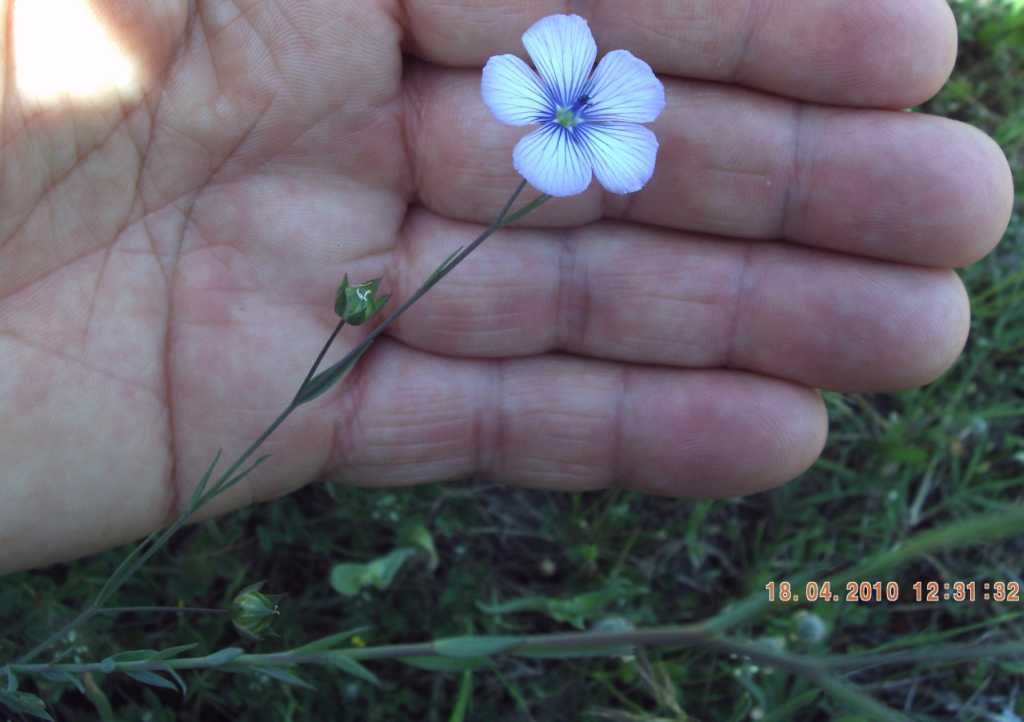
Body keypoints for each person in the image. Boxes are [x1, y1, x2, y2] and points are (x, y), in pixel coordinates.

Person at [0, 0, 1013, 573]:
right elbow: (544, 106)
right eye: (566, 107)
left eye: (578, 109)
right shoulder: (538, 96)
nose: (571, 111)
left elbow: (597, 127)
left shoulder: (584, 121)